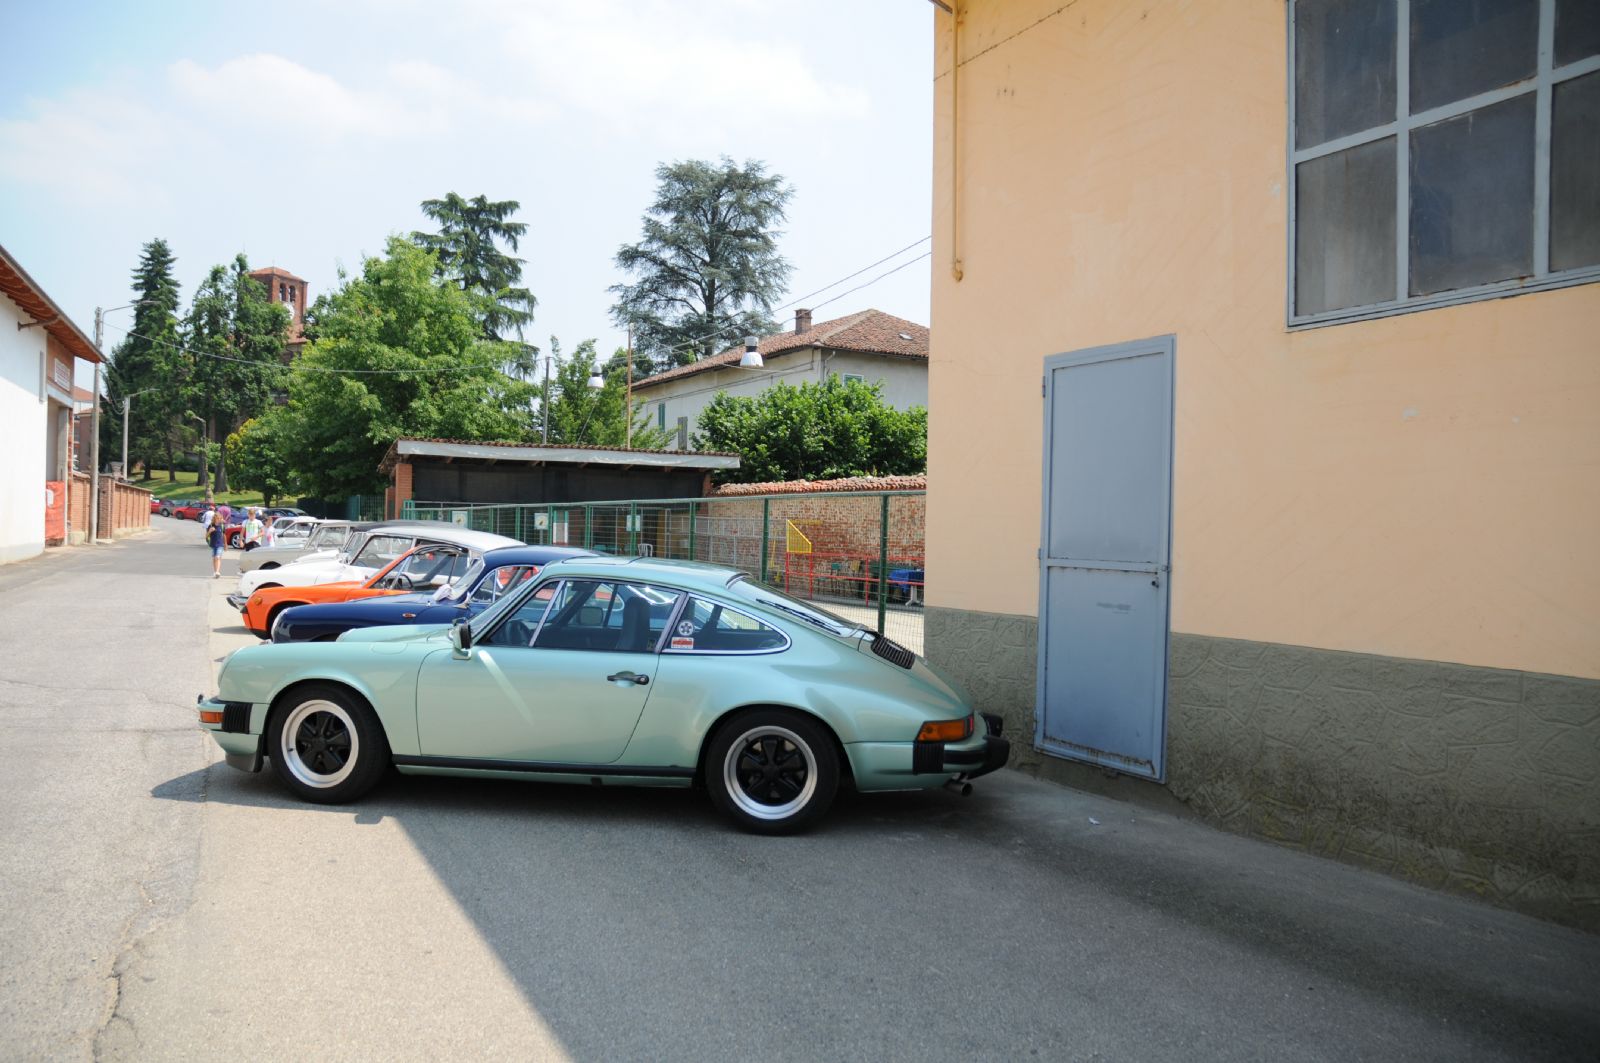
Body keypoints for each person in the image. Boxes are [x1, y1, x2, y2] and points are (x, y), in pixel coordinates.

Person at [204, 509, 226, 578]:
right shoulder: (210, 526)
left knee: (217, 557)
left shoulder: (222, 526)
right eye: (217, 518)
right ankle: (215, 571)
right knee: (214, 558)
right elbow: (206, 536)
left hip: (220, 544)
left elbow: (224, 535)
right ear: (214, 519)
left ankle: (217, 572)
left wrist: (225, 544)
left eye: (220, 518)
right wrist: (209, 531)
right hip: (213, 544)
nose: (218, 520)